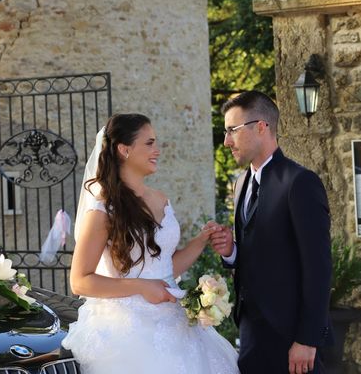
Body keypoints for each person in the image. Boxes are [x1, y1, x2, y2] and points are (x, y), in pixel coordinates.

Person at [62, 113, 239, 374]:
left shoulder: (161, 199)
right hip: (128, 330)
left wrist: (201, 241)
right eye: (149, 143)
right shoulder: (103, 210)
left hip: (174, 320)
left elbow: (165, 267)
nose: (157, 150)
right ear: (124, 150)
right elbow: (80, 281)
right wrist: (141, 287)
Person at [210, 91, 333, 374]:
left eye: (233, 131)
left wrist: (307, 338)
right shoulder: (240, 183)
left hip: (293, 336)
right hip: (252, 333)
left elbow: (319, 267)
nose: (227, 141)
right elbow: (258, 252)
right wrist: (231, 251)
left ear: (262, 127)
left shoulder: (300, 182)